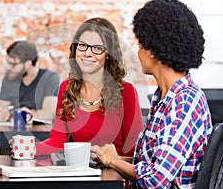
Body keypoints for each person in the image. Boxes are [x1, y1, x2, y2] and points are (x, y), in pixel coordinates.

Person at [95, 0, 213, 189]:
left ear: (152, 51)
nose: (138, 52)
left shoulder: (184, 102)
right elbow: (154, 162)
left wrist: (113, 161)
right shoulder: (165, 97)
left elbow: (157, 178)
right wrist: (109, 158)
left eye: (140, 45)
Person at [27, 17, 144, 158]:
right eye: (82, 45)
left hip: (115, 175)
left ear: (108, 54)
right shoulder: (67, 88)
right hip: (81, 173)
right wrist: (29, 147)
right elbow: (57, 141)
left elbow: (135, 152)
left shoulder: (126, 92)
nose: (87, 53)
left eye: (97, 48)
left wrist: (107, 159)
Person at [0, 40, 60, 123]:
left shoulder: (50, 78)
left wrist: (20, 114)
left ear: (28, 64)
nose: (9, 68)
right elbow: (1, 109)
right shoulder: (10, 77)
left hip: (42, 132)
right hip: (15, 130)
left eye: (13, 64)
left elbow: (48, 114)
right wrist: (3, 114)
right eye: (8, 63)